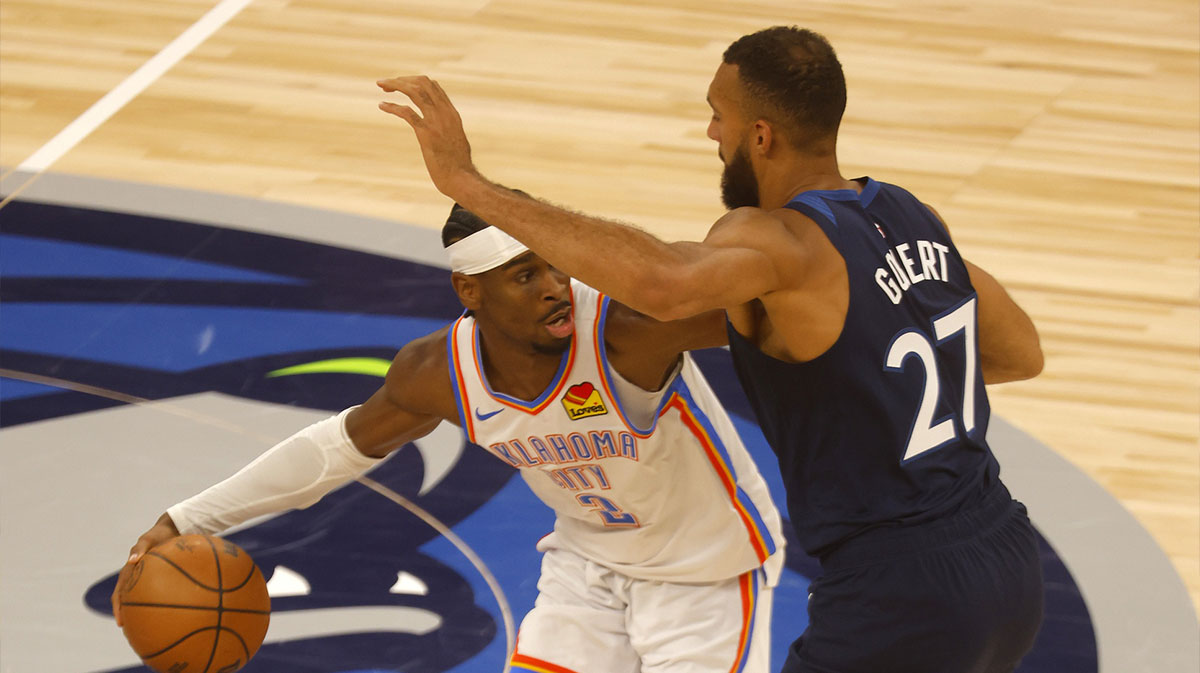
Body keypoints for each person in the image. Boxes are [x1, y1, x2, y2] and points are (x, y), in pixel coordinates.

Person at [378, 24, 1046, 673]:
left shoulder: (774, 241)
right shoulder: (909, 214)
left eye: (717, 116)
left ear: (761, 135)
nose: (711, 134)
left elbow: (664, 285)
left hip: (899, 584)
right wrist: (862, 374)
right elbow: (1020, 352)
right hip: (1006, 557)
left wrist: (468, 184)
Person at [112, 204, 785, 673]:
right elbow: (332, 451)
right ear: (470, 290)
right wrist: (186, 517)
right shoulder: (440, 373)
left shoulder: (628, 326)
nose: (555, 288)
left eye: (554, 266)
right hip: (591, 567)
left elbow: (785, 310)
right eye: (525, 276)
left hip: (708, 571)